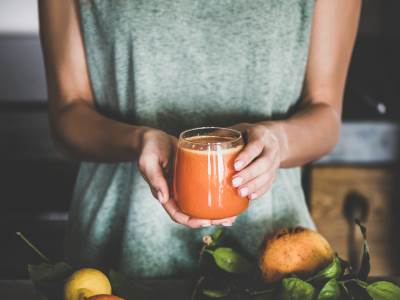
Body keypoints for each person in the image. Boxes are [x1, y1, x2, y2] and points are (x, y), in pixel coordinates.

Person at [39, 0, 361, 278]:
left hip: (275, 252)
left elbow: (326, 112)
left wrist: (280, 142)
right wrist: (136, 140)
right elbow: (68, 114)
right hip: (116, 242)